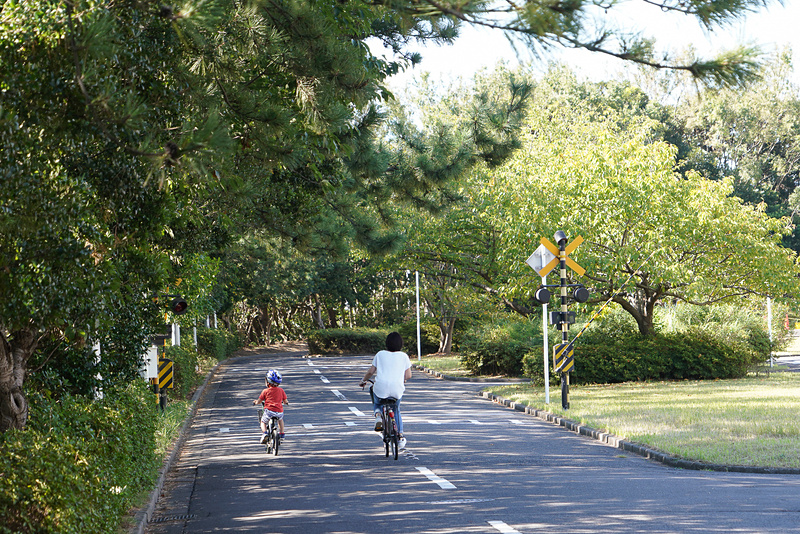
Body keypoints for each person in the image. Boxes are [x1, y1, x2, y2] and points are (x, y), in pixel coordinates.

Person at [359, 332, 412, 449]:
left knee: (376, 400)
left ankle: (378, 415)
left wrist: (363, 380)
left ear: (387, 343)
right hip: (396, 390)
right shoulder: (404, 356)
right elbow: (408, 375)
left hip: (381, 388)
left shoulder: (380, 354)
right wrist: (401, 379)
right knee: (396, 410)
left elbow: (370, 372)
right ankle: (400, 436)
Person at [253, 369, 288, 444]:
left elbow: (259, 401)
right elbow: (285, 401)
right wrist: (286, 403)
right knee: (280, 420)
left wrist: (256, 402)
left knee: (263, 422)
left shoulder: (265, 391)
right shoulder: (281, 390)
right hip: (279, 412)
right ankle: (282, 434)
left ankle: (265, 433)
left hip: (269, 411)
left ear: (267, 381)